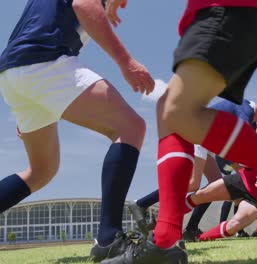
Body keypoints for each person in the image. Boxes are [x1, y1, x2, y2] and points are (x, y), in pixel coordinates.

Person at [103, 0, 257, 263]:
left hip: (226, 11)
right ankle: (166, 239)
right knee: (171, 112)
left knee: (176, 112)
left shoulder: (249, 114)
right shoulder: (248, 114)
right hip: (224, 16)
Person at [0, 0, 154, 262]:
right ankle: (109, 240)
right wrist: (126, 61)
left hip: (15, 72)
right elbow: (84, 4)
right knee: (130, 127)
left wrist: (32, 96)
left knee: (41, 172)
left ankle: (108, 237)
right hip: (44, 61)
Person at [127, 98, 257, 239]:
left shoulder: (252, 124)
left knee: (214, 184)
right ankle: (141, 204)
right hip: (198, 134)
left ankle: (191, 228)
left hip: (207, 141)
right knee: (193, 183)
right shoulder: (245, 107)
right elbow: (243, 139)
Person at [184, 102, 257, 242]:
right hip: (242, 179)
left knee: (236, 223)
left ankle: (201, 239)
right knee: (200, 195)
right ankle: (163, 224)